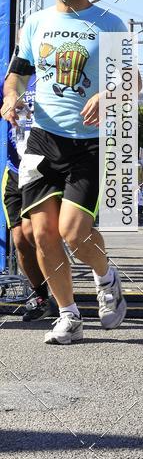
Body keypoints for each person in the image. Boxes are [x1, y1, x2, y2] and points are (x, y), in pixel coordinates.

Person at [2, 0, 133, 344]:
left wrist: (108, 93)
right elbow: (17, 74)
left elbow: (133, 80)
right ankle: (68, 315)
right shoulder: (36, 22)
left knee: (74, 232)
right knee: (42, 234)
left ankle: (106, 278)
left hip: (89, 144)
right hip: (43, 140)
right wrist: (11, 96)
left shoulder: (109, 23)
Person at [1, 74, 51, 321]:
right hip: (15, 169)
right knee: (20, 239)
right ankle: (41, 297)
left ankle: (63, 295)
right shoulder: (10, 81)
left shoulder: (55, 76)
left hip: (45, 169)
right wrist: (7, 105)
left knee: (36, 234)